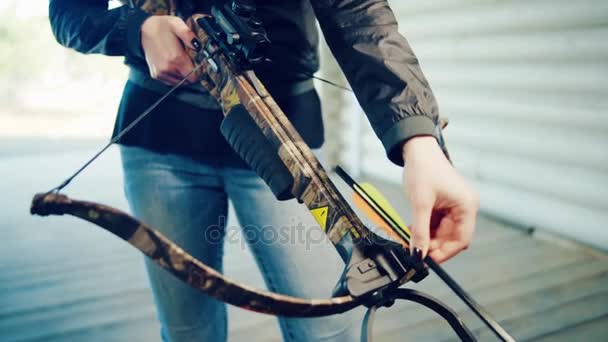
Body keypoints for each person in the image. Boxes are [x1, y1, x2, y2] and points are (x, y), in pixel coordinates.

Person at [48, 0, 479, 341]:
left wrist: (419, 140)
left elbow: (358, 12)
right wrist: (136, 28)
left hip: (286, 139)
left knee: (325, 328)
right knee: (187, 331)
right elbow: (68, 13)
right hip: (160, 140)